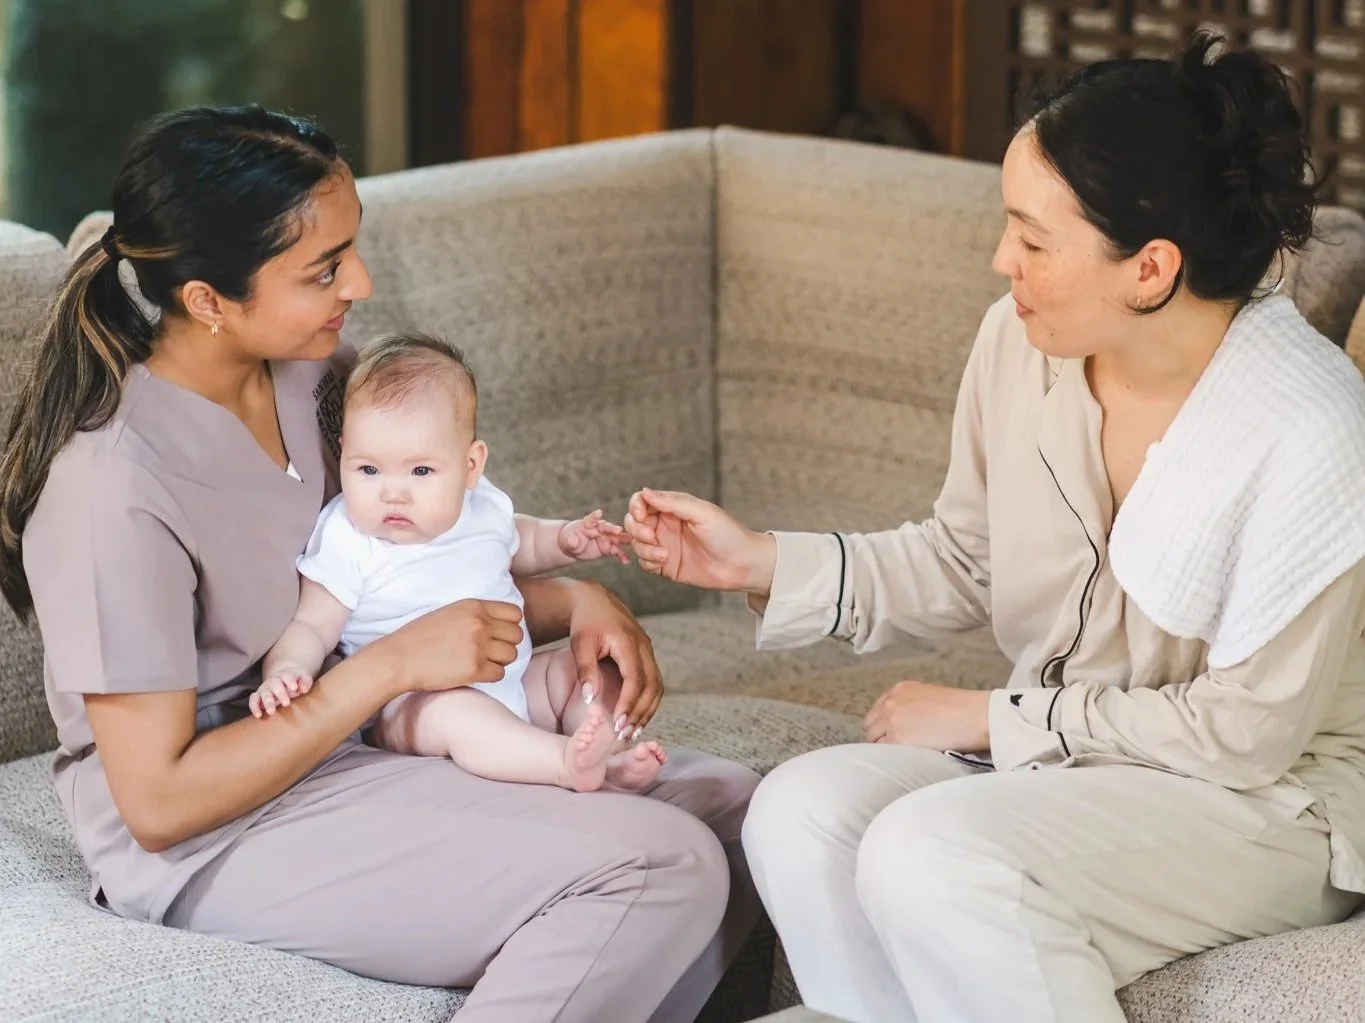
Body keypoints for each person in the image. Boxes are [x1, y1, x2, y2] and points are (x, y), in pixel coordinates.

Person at [623, 33, 1365, 1023]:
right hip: (1081, 757)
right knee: (800, 815)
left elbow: (1245, 737)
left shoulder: (1308, 428)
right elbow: (965, 556)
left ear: (1150, 268)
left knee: (929, 852)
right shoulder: (1020, 349)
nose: (998, 258)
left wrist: (994, 718)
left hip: (1271, 804)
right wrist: (758, 559)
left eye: (1032, 237)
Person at [0, 105, 761, 1023]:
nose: (357, 282)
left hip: (361, 741)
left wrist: (575, 598)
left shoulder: (317, 375)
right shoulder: (111, 487)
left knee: (744, 817)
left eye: (350, 250)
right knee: (658, 862)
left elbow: (402, 572)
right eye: (323, 269)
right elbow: (160, 801)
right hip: (215, 834)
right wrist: (391, 669)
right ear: (208, 299)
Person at [251, 331, 668, 793]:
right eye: (368, 469)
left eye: (421, 471)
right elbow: (311, 626)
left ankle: (607, 754)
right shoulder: (348, 537)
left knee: (587, 674)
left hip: (516, 681)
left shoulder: (480, 506)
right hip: (413, 707)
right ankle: (562, 763)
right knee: (458, 715)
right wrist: (286, 673)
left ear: (471, 467)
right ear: (344, 449)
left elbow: (519, 542)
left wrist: (565, 539)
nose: (392, 492)